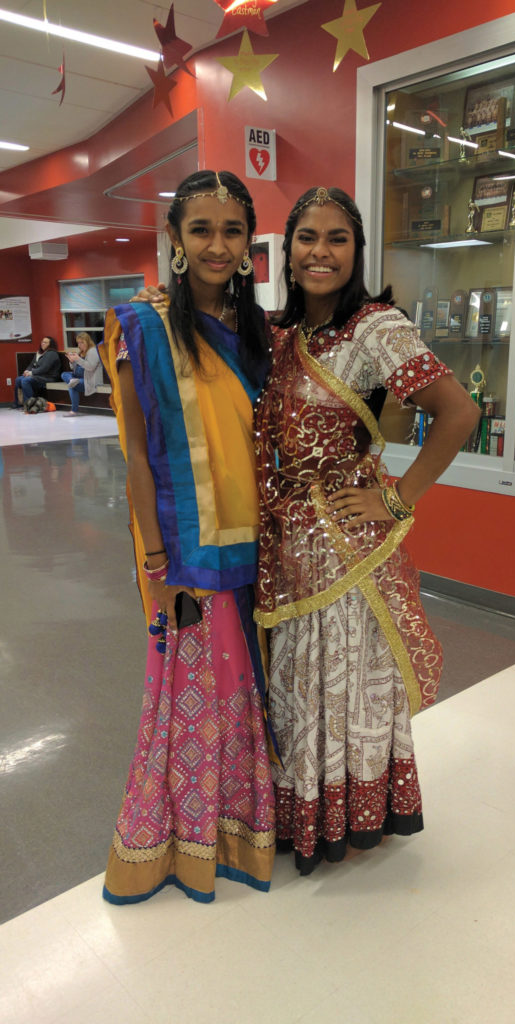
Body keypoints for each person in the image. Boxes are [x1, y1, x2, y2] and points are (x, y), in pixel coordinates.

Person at [253, 186, 481, 875]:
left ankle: (348, 819)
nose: (320, 252)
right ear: (287, 250)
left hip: (343, 550)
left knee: (340, 684)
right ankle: (303, 811)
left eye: (337, 239)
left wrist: (400, 499)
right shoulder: (283, 333)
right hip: (284, 546)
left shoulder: (374, 328)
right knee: (297, 684)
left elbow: (458, 413)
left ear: (355, 252)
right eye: (307, 238)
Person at [100, 170, 276, 905]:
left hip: (262, 551)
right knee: (196, 701)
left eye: (232, 230)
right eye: (200, 229)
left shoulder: (259, 331)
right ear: (175, 238)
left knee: (252, 696)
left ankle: (252, 823)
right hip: (184, 554)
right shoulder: (141, 326)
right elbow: (138, 455)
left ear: (247, 243)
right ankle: (184, 840)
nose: (217, 244)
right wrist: (154, 562)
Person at [61, 332, 103, 416]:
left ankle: (74, 410)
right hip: (79, 377)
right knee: (64, 374)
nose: (79, 345)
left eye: (82, 342)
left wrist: (78, 359)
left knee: (72, 386)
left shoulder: (93, 351)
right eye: (78, 343)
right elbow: (74, 369)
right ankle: (72, 380)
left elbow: (90, 367)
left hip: (89, 379)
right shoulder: (81, 352)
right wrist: (72, 361)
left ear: (87, 342)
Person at [12, 336, 60, 408]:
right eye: (42, 342)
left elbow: (44, 368)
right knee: (18, 379)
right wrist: (27, 371)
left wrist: (31, 373)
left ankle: (29, 405)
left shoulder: (52, 353)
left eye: (45, 342)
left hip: (48, 377)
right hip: (39, 376)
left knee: (25, 380)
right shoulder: (39, 353)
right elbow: (32, 365)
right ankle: (18, 403)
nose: (42, 344)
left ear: (50, 344)